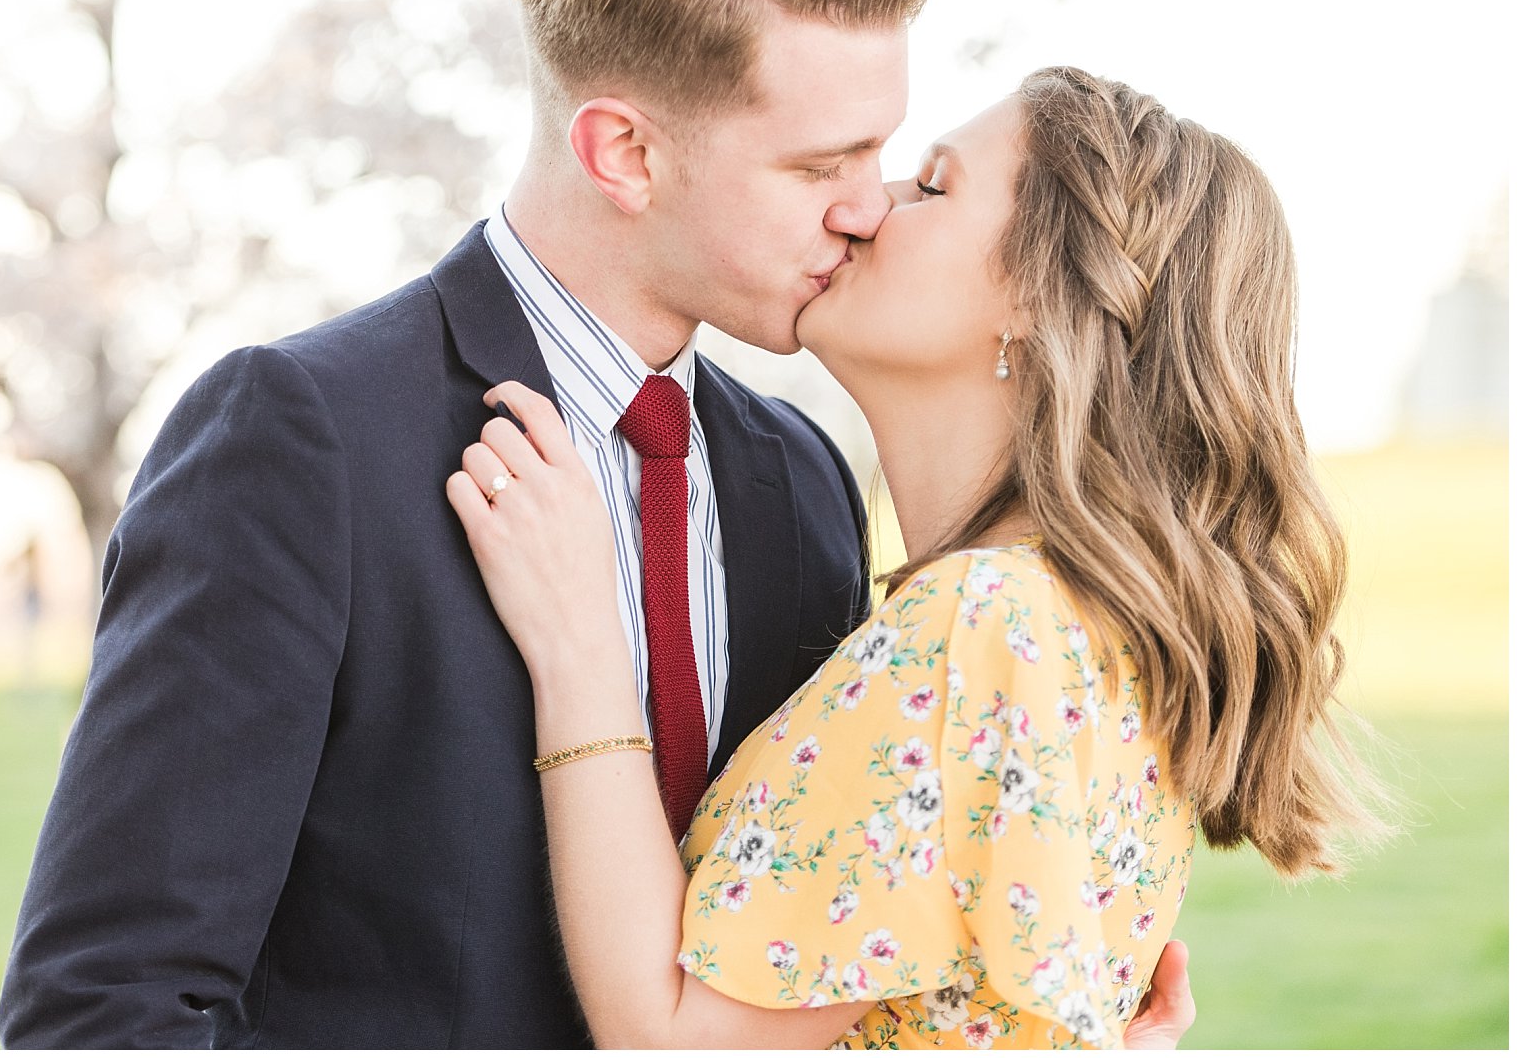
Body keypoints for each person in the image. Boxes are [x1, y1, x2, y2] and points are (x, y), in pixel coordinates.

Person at [0, 0, 1192, 1047]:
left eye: (880, 154)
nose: (862, 207)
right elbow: (106, 1004)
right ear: (622, 151)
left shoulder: (801, 482)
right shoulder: (308, 439)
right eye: (818, 162)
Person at [448, 67, 1386, 1047]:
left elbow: (670, 1042)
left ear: (1032, 294)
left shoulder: (980, 624)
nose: (862, 207)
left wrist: (578, 646)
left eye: (930, 187)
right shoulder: (1086, 627)